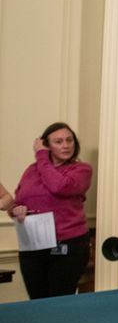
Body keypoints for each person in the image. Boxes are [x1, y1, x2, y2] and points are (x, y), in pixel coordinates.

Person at [9, 122, 93, 299]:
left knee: (58, 302)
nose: (66, 145)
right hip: (33, 244)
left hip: (67, 246)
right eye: (59, 141)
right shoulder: (31, 171)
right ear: (48, 145)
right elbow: (18, 201)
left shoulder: (81, 169)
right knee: (37, 303)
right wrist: (16, 210)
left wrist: (41, 156)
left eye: (69, 140)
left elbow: (58, 186)